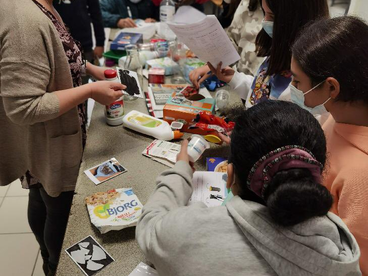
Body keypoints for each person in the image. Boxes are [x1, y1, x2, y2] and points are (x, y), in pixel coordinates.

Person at [136, 100, 361, 276]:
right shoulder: (339, 247)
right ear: (316, 175)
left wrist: (181, 170)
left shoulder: (186, 232)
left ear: (230, 174)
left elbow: (150, 222)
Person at [0, 0, 126, 275]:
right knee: (58, 209)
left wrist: (90, 70)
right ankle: (56, 266)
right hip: (46, 138)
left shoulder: (45, 5)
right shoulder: (25, 20)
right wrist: (90, 91)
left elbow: (57, 58)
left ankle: (49, 259)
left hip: (45, 139)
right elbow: (24, 107)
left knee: (41, 194)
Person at [290, 16, 368, 276]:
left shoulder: (361, 175)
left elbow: (354, 266)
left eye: (297, 82)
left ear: (331, 87)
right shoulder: (337, 117)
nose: (292, 88)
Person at [191, 0, 329, 110]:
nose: (264, 22)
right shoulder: (278, 53)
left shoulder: (304, 79)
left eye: (272, 16)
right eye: (265, 13)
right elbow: (262, 90)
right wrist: (234, 78)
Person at [190, 0, 263, 83]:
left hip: (262, 87)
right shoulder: (247, 3)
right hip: (240, 81)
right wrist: (215, 64)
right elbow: (232, 40)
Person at [54, 0, 105, 67]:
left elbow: (96, 14)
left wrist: (100, 43)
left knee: (86, 72)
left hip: (84, 44)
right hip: (57, 45)